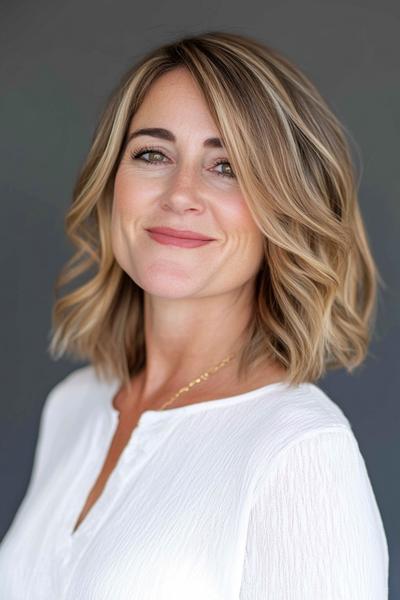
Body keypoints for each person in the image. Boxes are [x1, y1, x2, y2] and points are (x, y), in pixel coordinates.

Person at [0, 31, 389, 598]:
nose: (181, 193)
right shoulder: (75, 406)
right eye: (152, 154)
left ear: (286, 207)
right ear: (112, 185)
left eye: (226, 165)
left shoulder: (300, 451)